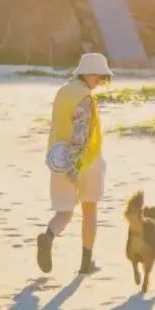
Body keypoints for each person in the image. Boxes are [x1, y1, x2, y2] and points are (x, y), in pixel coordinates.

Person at [37, 52, 112, 275]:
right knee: (89, 210)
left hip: (58, 160)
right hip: (85, 162)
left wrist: (66, 165)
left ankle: (48, 236)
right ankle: (86, 263)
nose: (100, 82)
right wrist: (76, 166)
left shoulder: (62, 93)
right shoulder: (85, 98)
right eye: (99, 77)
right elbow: (81, 134)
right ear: (88, 74)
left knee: (64, 212)